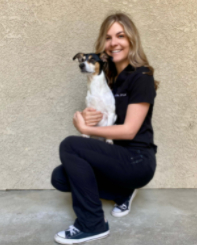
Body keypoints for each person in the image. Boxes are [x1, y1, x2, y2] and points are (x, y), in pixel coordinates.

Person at [51, 12, 159, 245]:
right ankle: (123, 192)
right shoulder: (107, 77)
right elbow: (101, 116)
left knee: (70, 145)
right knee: (60, 177)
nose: (114, 43)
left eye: (120, 35)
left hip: (137, 159)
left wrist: (83, 129)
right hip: (113, 156)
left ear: (131, 39)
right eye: (108, 37)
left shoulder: (142, 77)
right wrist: (86, 119)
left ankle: (92, 224)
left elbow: (129, 131)